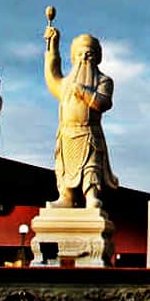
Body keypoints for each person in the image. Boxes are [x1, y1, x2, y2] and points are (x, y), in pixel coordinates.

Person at [44, 21, 119, 208]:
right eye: (79, 54)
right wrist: (52, 46)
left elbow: (104, 102)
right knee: (64, 166)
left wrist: (84, 92)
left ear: (97, 57)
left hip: (88, 132)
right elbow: (52, 75)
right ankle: (66, 196)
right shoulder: (65, 83)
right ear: (73, 57)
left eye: (89, 54)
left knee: (91, 165)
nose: (84, 57)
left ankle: (91, 195)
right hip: (66, 132)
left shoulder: (104, 80)